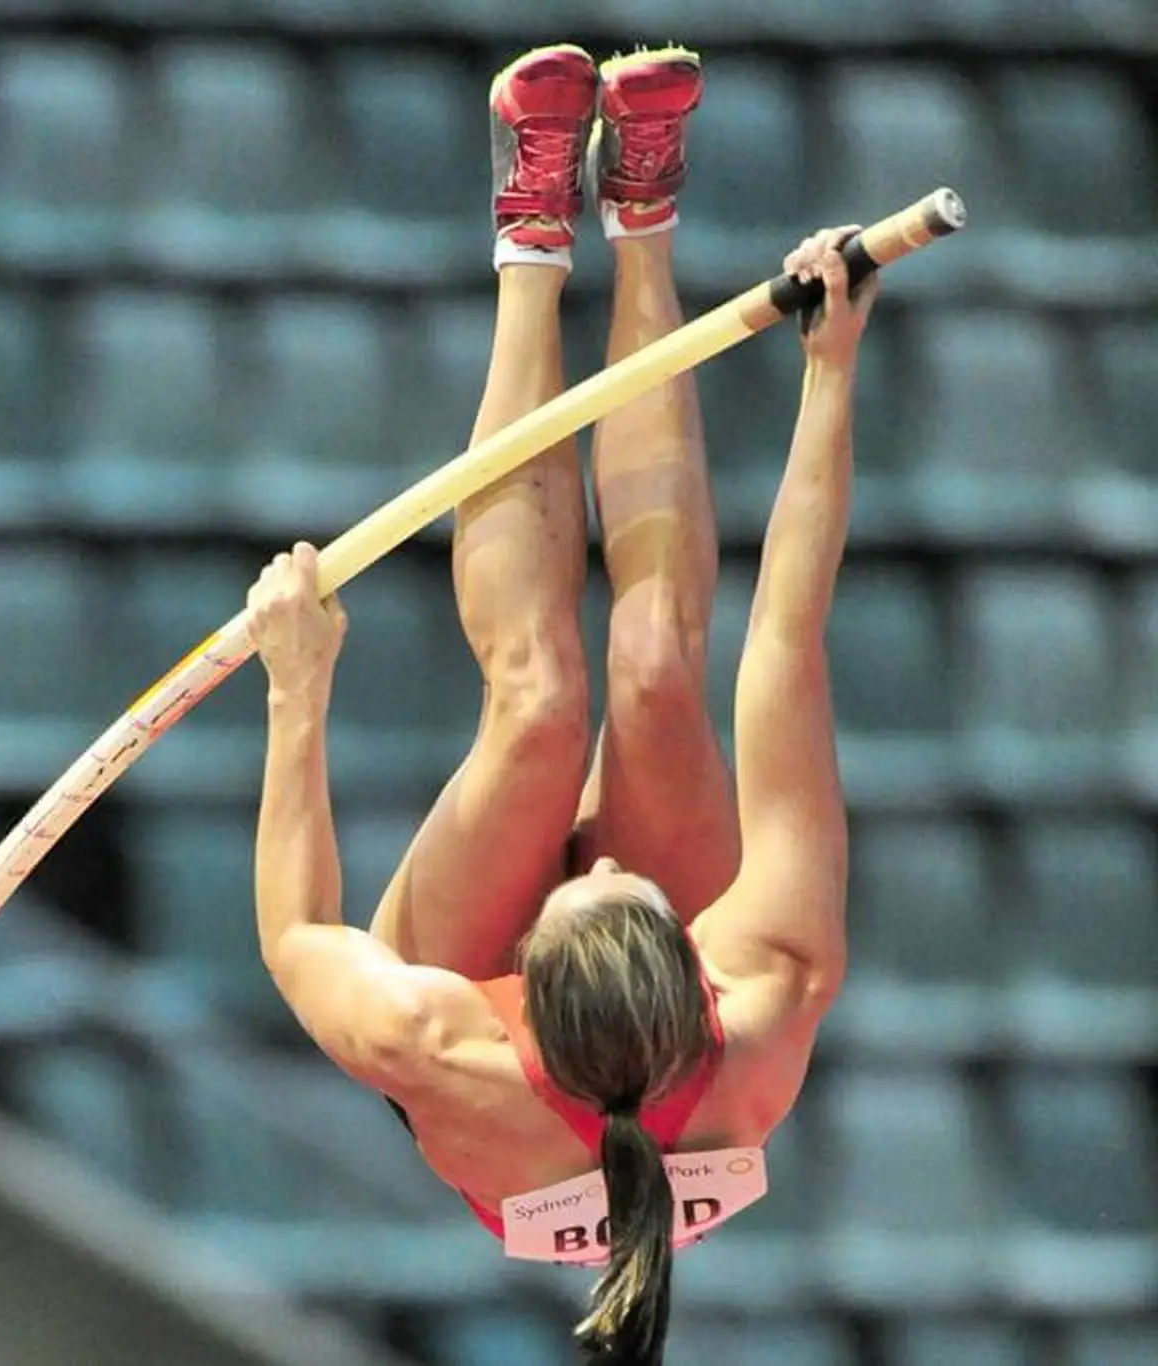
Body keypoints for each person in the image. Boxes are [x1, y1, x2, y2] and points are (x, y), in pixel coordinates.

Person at [244, 43, 874, 1366]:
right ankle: (642, 217)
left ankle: (530, 240)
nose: (589, 856)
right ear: (696, 964)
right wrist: (830, 372)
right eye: (618, 881)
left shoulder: (439, 1039)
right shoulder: (770, 988)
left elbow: (298, 928)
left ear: (511, 977)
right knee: (652, 669)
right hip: (637, 1059)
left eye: (565, 894)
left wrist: (298, 687)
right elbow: (788, 644)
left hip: (512, 1117)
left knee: (537, 707)